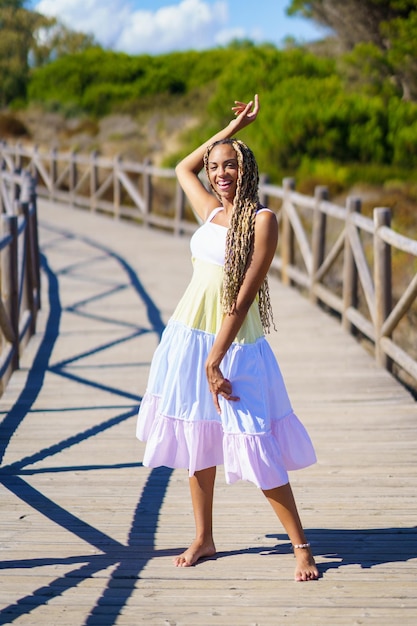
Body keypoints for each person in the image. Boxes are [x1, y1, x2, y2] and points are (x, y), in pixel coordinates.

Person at [136, 94, 319, 582]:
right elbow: (181, 168)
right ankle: (204, 537)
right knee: (198, 441)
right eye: (215, 166)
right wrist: (231, 127)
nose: (218, 173)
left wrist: (215, 360)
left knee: (255, 438)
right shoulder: (212, 214)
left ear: (246, 169)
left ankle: (301, 546)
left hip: (232, 345)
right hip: (187, 335)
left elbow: (241, 297)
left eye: (229, 165)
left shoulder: (261, 221)